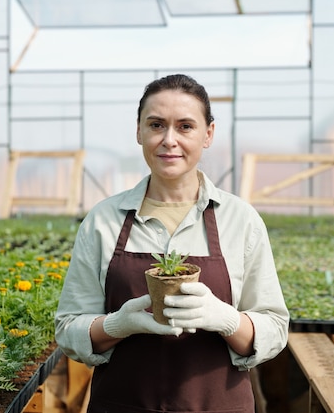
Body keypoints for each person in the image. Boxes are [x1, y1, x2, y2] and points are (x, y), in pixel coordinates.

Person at [54, 74, 289, 413]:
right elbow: (68, 327)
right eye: (156, 125)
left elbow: (275, 326)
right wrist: (117, 325)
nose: (169, 140)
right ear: (139, 132)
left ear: (208, 134)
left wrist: (227, 320)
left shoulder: (240, 220)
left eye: (185, 127)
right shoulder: (104, 220)